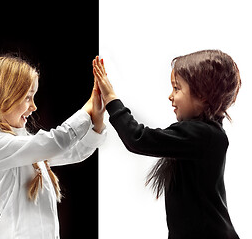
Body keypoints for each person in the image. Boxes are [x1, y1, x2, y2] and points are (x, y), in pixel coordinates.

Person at [93, 50, 241, 239]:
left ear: (203, 95)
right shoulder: (200, 135)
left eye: (177, 88)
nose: (170, 96)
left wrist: (111, 98)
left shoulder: (205, 136)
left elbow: (137, 138)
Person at [0, 55, 106, 238]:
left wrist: (96, 123)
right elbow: (55, 142)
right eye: (27, 97)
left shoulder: (25, 145)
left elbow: (73, 152)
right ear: (4, 97)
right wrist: (87, 110)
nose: (34, 106)